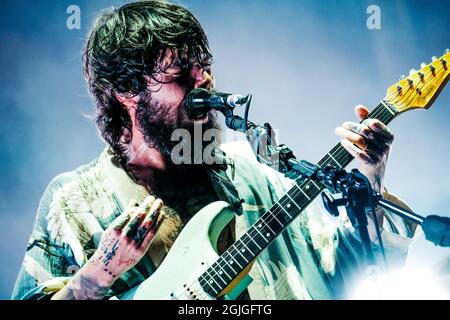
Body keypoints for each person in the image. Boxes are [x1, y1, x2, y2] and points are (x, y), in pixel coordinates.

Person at [12, 0, 418, 300]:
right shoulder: (73, 203)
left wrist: (369, 183)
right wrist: (96, 277)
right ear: (126, 92)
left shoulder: (251, 172)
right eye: (180, 73)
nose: (204, 80)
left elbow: (352, 269)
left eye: (204, 64)